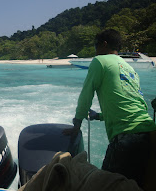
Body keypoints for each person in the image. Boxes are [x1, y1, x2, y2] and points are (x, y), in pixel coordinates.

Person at [63, 29, 156, 188]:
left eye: (95, 45)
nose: (94, 49)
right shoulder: (129, 68)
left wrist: (77, 124)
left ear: (104, 45)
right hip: (149, 134)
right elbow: (130, 104)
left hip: (127, 137)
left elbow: (87, 94)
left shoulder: (100, 61)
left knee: (105, 185)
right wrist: (98, 116)